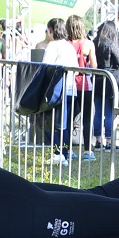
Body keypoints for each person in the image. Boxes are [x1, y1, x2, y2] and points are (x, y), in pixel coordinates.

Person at [41, 17, 79, 165]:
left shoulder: (52, 46)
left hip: (58, 90)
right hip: (71, 89)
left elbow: (45, 67)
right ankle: (65, 153)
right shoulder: (69, 46)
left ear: (50, 30)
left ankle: (59, 153)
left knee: (54, 124)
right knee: (64, 124)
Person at [66, 15, 98, 160]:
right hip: (85, 84)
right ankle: (87, 151)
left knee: (68, 119)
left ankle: (67, 150)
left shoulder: (65, 44)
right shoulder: (88, 44)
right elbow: (94, 66)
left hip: (68, 85)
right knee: (86, 118)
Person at [92, 20, 119, 153]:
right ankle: (109, 142)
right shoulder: (111, 43)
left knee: (98, 112)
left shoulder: (95, 42)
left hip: (97, 78)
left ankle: (98, 141)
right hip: (111, 80)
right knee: (110, 112)